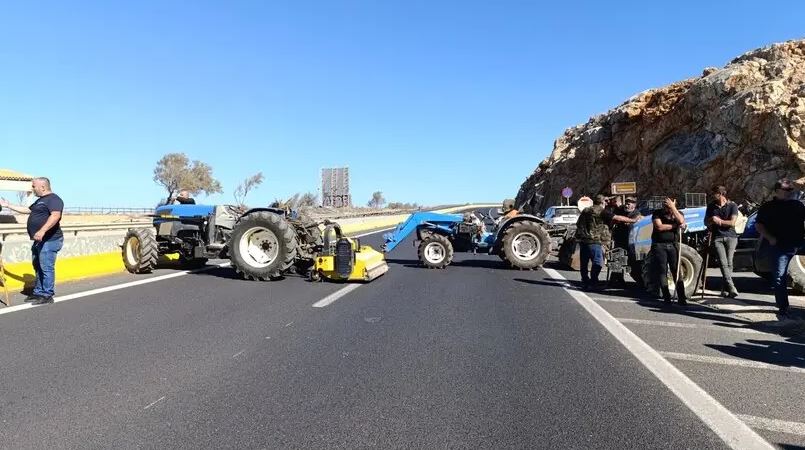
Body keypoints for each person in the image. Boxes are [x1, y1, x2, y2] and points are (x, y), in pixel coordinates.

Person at [0, 177, 64, 304]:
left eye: (34, 186)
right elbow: (27, 210)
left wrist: (42, 231)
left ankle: (47, 294)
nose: (32, 189)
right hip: (39, 241)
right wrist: (8, 205)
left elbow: (55, 216)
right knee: (38, 266)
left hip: (49, 240)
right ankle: (38, 292)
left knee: (46, 267)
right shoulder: (40, 201)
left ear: (43, 187)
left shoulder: (54, 199)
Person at [755, 178, 805, 318]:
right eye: (787, 190)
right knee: (779, 277)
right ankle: (783, 307)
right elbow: (759, 226)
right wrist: (770, 238)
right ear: (777, 191)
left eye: (791, 190)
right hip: (780, 246)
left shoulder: (798, 205)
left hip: (799, 243)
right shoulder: (768, 207)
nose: (790, 192)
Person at [575, 195, 638, 290]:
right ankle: (593, 282)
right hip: (595, 241)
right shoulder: (601, 211)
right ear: (602, 202)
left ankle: (585, 281)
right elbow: (617, 218)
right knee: (597, 263)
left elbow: (578, 223)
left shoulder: (586, 210)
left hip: (584, 240)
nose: (607, 203)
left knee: (584, 263)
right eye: (606, 201)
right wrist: (632, 220)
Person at [704, 186, 740, 298]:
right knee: (722, 262)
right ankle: (732, 287)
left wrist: (719, 221)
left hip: (731, 237)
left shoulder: (732, 205)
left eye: (714, 193)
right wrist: (711, 220)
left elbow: (732, 223)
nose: (713, 196)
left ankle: (725, 288)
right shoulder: (711, 206)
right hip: (717, 237)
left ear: (720, 194)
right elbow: (706, 222)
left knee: (729, 263)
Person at [651, 197, 686, 304]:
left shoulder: (678, 213)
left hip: (673, 244)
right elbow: (659, 227)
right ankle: (666, 296)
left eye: (669, 204)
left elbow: (681, 220)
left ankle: (681, 297)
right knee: (662, 271)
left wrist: (673, 208)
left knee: (676, 270)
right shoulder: (657, 213)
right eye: (666, 204)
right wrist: (675, 226)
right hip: (659, 245)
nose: (667, 207)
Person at [609, 196, 642, 287]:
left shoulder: (636, 213)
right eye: (626, 203)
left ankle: (640, 282)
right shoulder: (621, 211)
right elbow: (614, 220)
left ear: (634, 205)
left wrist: (622, 221)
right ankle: (615, 280)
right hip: (620, 239)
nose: (627, 205)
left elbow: (631, 223)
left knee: (632, 262)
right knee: (617, 259)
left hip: (632, 241)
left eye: (629, 203)